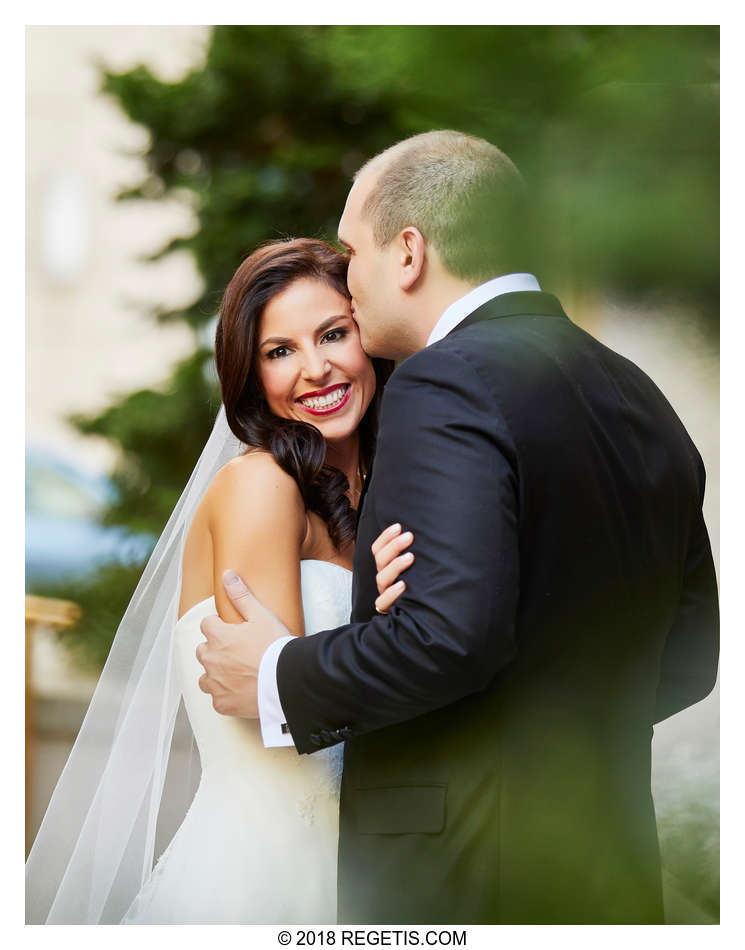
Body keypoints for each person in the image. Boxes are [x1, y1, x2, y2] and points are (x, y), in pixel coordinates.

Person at [197, 130, 720, 924]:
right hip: (608, 869)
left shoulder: (446, 382)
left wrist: (277, 675)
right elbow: (688, 656)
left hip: (466, 877)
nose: (351, 279)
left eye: (353, 252)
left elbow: (449, 638)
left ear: (406, 254)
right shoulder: (632, 391)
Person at [25, 238, 405, 924]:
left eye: (333, 334)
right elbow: (279, 716)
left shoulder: (380, 498)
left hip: (357, 878)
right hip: (260, 883)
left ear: (367, 336)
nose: (315, 368)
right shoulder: (260, 487)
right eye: (279, 350)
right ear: (251, 375)